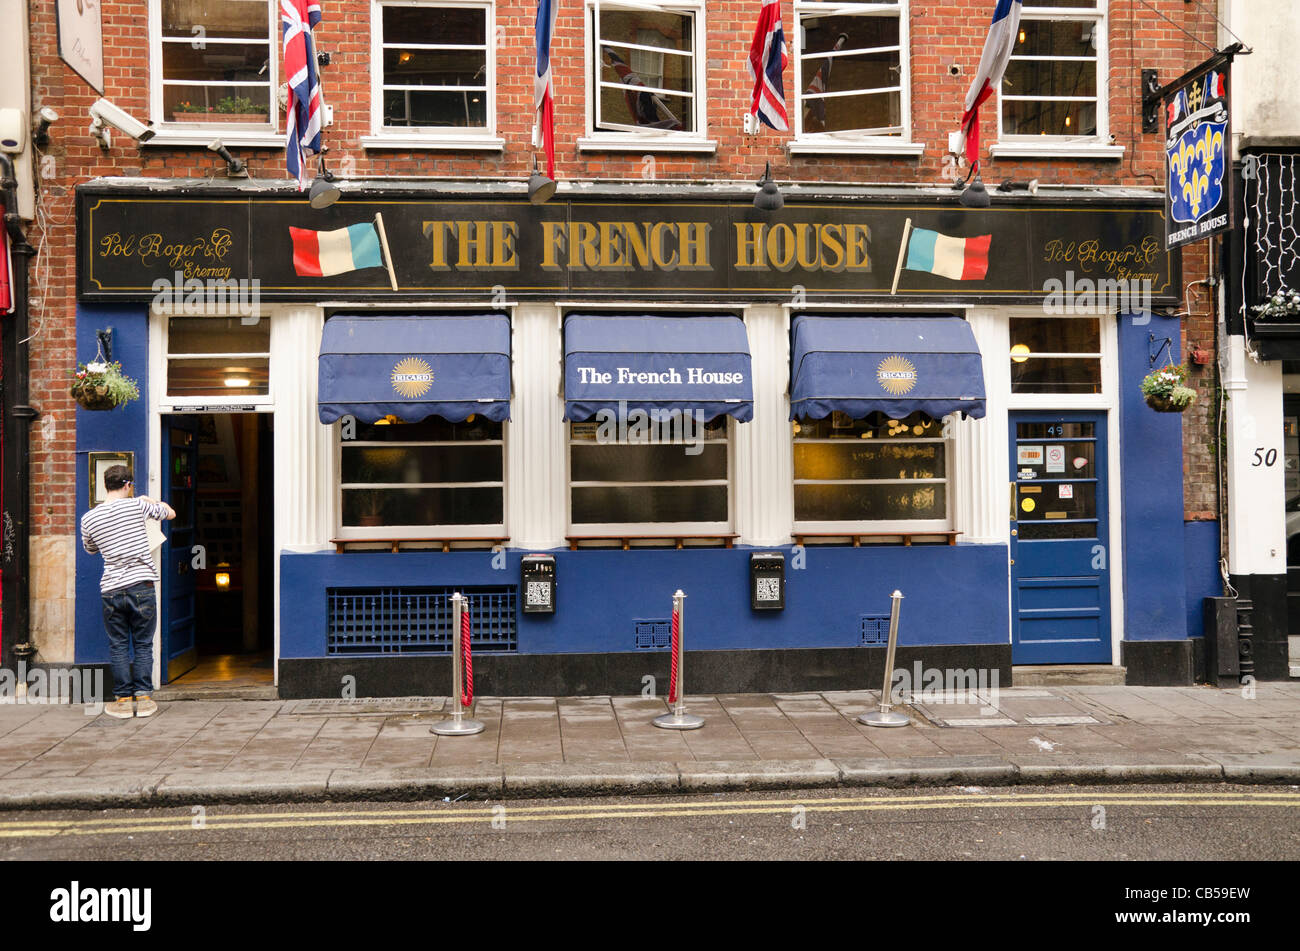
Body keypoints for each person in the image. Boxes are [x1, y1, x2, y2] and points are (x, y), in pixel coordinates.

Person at [80, 465, 176, 719]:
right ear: (128, 485)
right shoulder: (137, 506)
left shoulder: (89, 518)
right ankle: (143, 697)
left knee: (118, 644)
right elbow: (170, 513)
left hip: (111, 588)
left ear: (106, 485)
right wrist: (149, 500)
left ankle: (122, 699)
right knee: (143, 643)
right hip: (141, 585)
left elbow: (90, 549)